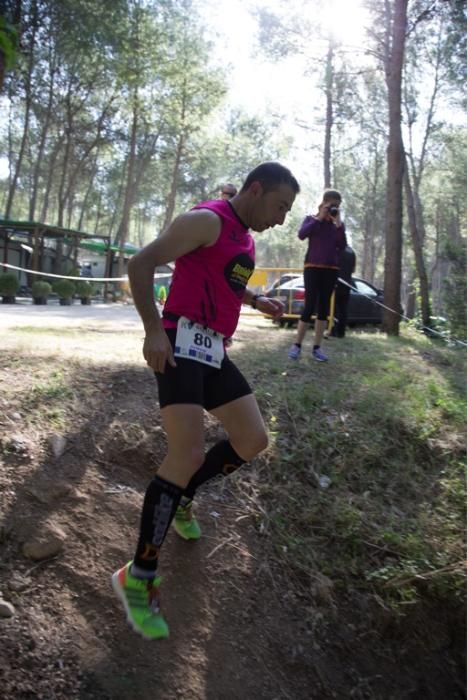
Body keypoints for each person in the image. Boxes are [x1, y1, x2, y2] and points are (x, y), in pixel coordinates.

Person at [112, 162, 300, 640]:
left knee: (253, 438)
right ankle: (139, 576)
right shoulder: (207, 220)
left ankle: (183, 498)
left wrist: (257, 302)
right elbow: (141, 263)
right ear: (256, 191)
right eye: (280, 206)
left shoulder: (244, 236)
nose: (281, 219)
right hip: (177, 342)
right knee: (187, 453)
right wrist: (153, 330)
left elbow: (224, 278)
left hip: (212, 349)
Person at [288, 189, 347, 362]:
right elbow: (301, 235)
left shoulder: (337, 226)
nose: (333, 208)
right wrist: (320, 217)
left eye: (337, 205)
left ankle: (317, 348)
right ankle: (297, 345)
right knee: (309, 305)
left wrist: (338, 224)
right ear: (323, 203)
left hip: (331, 269)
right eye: (331, 204)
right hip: (312, 267)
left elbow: (342, 246)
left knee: (323, 308)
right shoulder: (312, 220)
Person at [331, 244, 356, 338]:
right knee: (343, 308)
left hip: (336, 282)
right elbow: (353, 269)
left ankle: (334, 330)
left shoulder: (336, 249)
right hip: (347, 282)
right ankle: (341, 332)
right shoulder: (351, 251)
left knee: (335, 308)